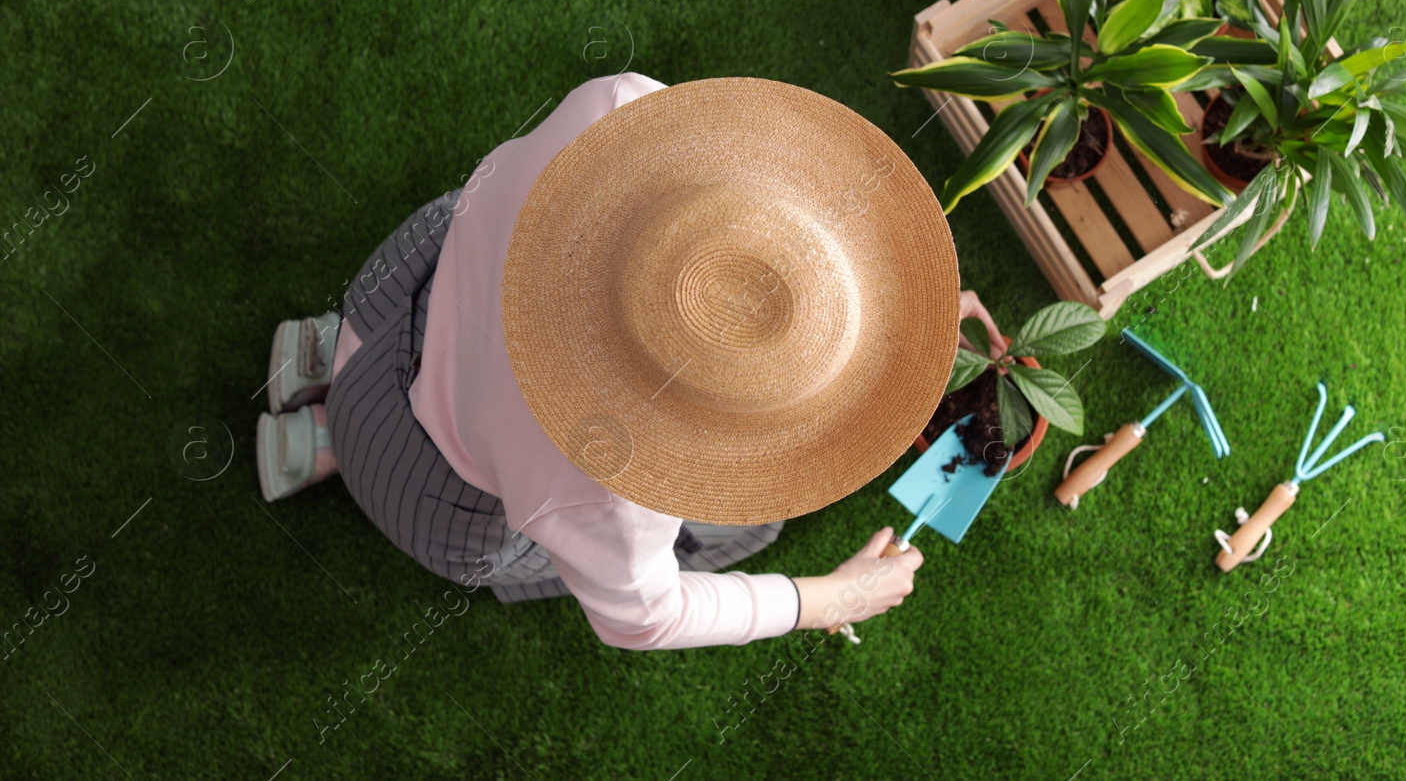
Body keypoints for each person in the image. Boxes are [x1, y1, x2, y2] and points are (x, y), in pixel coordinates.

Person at [255, 73, 1006, 650]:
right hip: (421, 483)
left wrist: (888, 319)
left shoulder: (624, 106)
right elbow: (643, 616)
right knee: (747, 530)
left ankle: (327, 358)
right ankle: (340, 446)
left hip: (403, 291)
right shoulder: (618, 485)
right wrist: (829, 599)